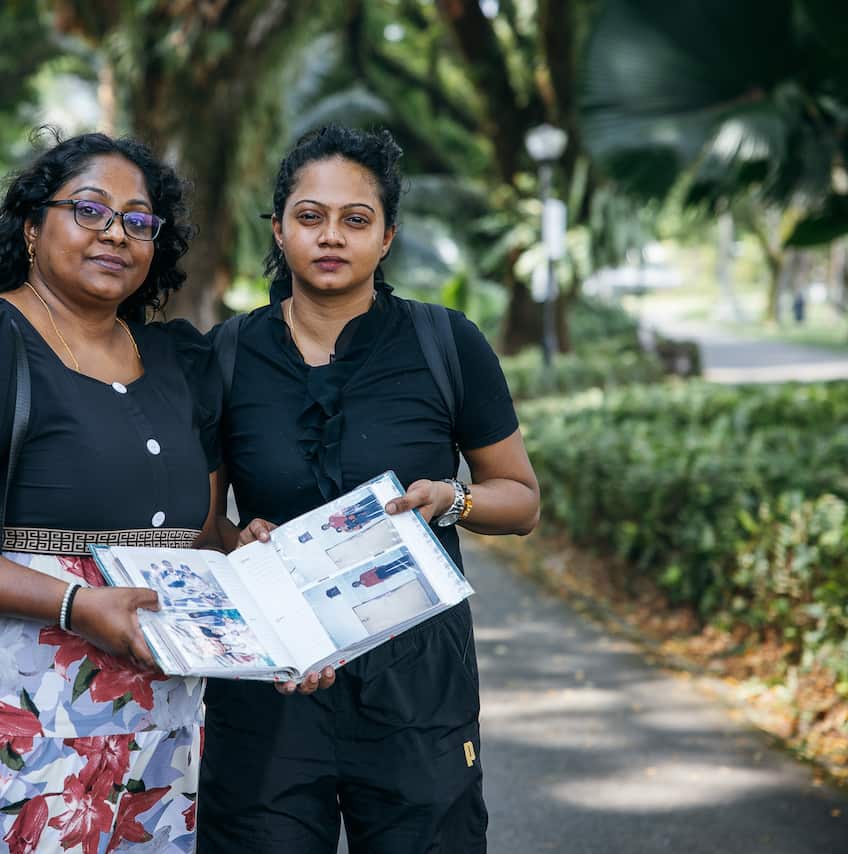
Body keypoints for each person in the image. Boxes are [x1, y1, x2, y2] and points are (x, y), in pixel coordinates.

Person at [0, 130, 223, 854]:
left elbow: (203, 539)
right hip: (10, 717)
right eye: (89, 210)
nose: (115, 233)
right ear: (31, 227)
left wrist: (258, 555)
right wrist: (75, 604)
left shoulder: (180, 360)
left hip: (162, 728)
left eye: (138, 220)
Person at [198, 125, 540, 853]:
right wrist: (239, 541)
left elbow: (520, 497)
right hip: (273, 684)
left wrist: (455, 500)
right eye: (310, 216)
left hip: (418, 687)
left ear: (386, 238)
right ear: (280, 228)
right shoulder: (225, 355)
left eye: (356, 219)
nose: (332, 236)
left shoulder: (446, 343)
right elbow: (204, 526)